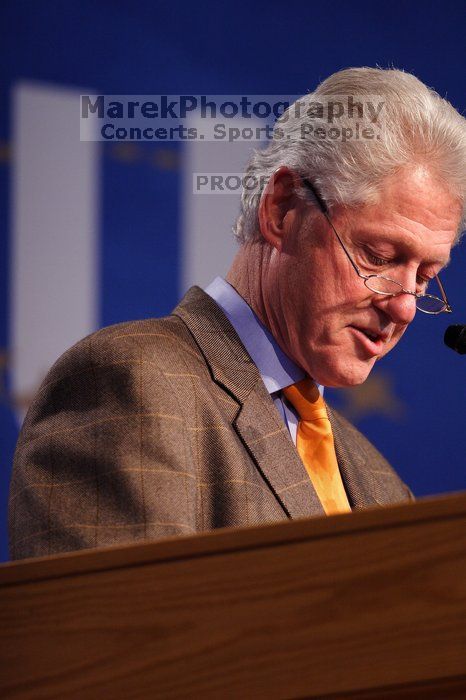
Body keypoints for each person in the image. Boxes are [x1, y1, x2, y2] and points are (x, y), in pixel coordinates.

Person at [9, 67, 465, 560]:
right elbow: (112, 634)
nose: (404, 306)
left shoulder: (381, 483)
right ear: (282, 210)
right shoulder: (132, 385)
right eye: (378, 255)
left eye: (424, 277)